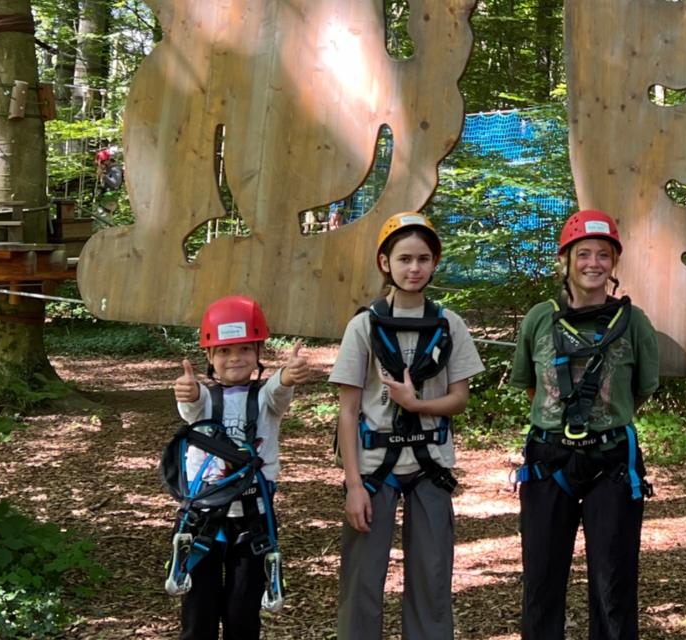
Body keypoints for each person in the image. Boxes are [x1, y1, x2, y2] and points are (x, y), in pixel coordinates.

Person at [331, 212, 484, 640]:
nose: (413, 268)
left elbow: (459, 398)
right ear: (385, 263)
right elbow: (348, 410)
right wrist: (354, 485)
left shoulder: (449, 324)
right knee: (362, 580)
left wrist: (417, 403)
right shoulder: (364, 326)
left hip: (430, 465)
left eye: (422, 258)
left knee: (432, 578)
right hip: (374, 468)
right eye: (404, 259)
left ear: (434, 263)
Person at [511, 209, 661, 640]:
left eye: (603, 255)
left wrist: (603, 420)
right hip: (549, 456)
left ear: (614, 264)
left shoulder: (634, 323)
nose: (593, 263)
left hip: (611, 457)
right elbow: (530, 388)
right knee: (541, 578)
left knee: (613, 582)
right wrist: (559, 422)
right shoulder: (540, 318)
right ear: (566, 260)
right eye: (583, 254)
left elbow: (642, 390)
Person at [165, 295, 326, 640]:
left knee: (242, 618)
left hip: (251, 522)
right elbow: (192, 408)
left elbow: (279, 391)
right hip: (204, 519)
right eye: (224, 351)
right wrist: (187, 391)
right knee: (198, 618)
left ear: (257, 353)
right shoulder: (206, 398)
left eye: (243, 349)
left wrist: (287, 375)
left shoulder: (265, 398)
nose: (234, 358)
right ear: (209, 357)